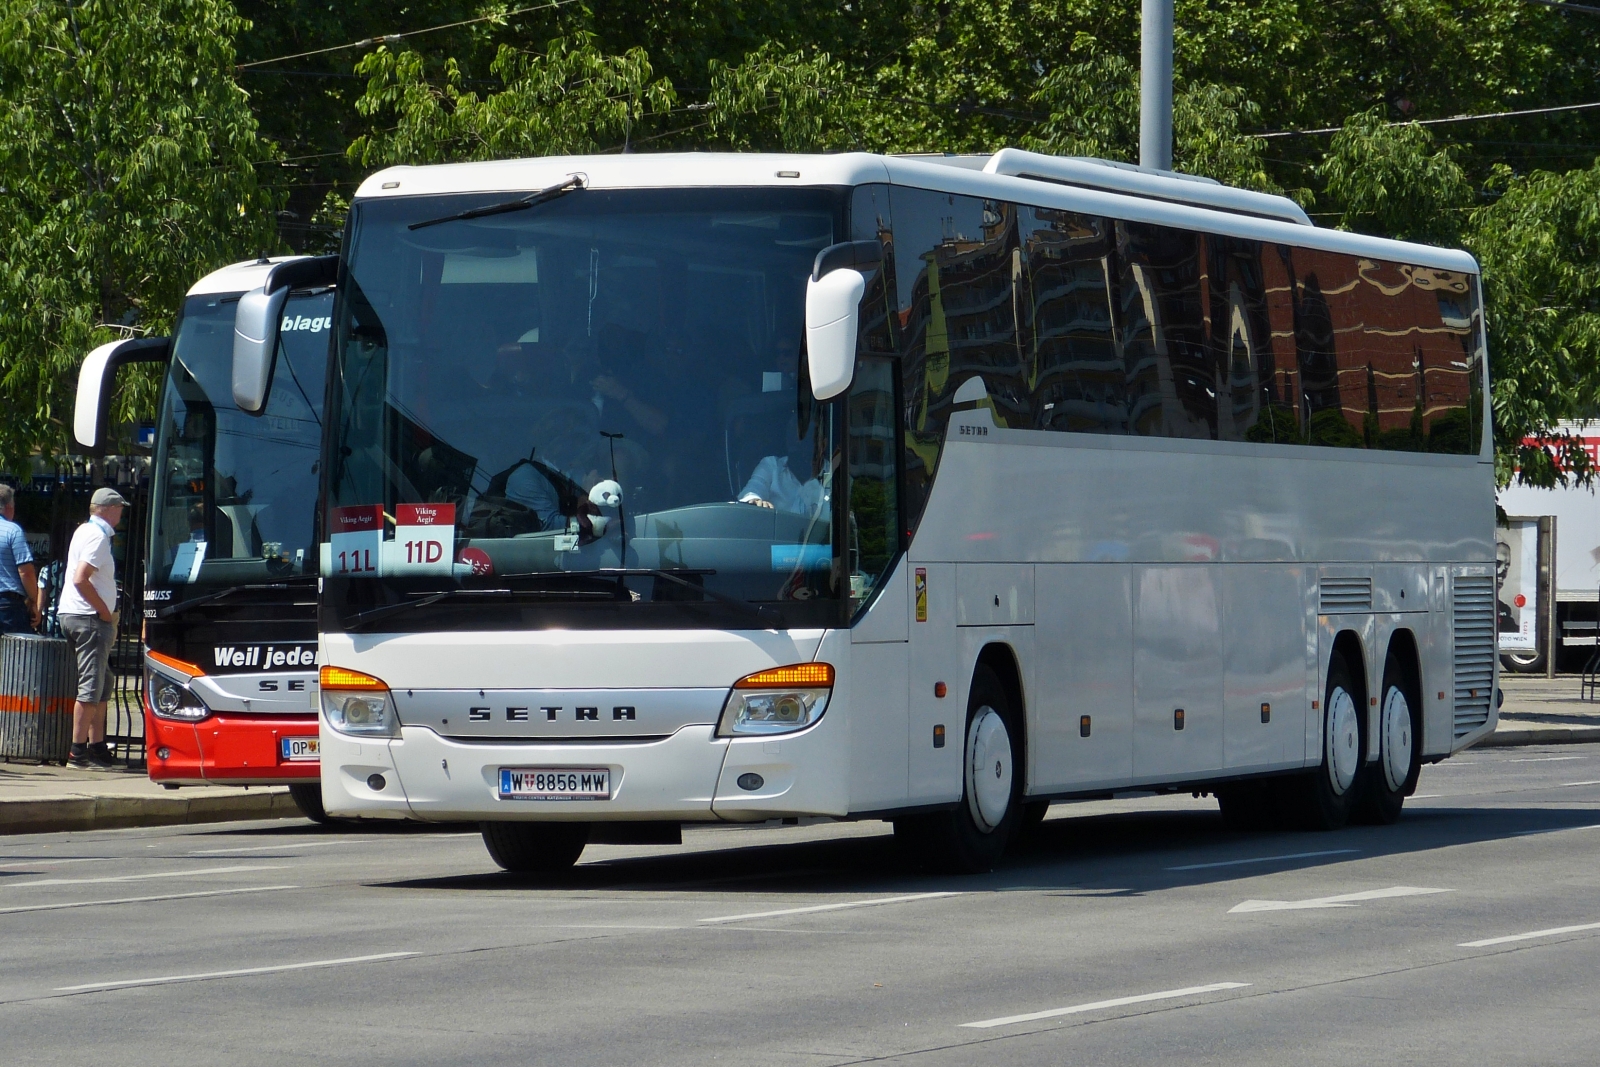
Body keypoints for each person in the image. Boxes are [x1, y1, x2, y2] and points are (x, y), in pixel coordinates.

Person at [58, 488, 126, 770]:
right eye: (120, 508)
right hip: (90, 619)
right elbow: (80, 578)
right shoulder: (98, 537)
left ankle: (97, 747)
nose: (121, 513)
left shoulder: (84, 532)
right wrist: (103, 611)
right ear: (108, 509)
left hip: (75, 615)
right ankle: (78, 752)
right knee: (91, 685)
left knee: (103, 681)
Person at [0, 484, 41, 634]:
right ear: (9, 506)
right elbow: (26, 572)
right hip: (8, 605)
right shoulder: (13, 530)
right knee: (15, 654)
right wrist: (34, 601)